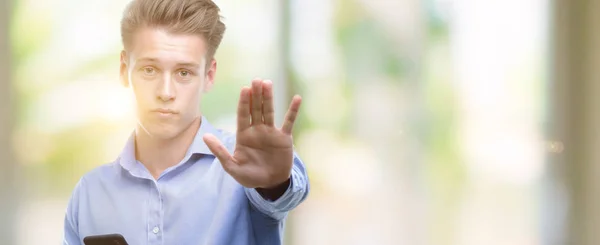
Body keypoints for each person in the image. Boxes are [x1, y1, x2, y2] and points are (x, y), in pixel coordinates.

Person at [62, 0, 310, 244]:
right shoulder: (89, 194)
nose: (165, 92)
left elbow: (286, 194)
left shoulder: (245, 166)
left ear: (208, 76)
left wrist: (275, 184)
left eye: (184, 73)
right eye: (149, 69)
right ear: (124, 69)